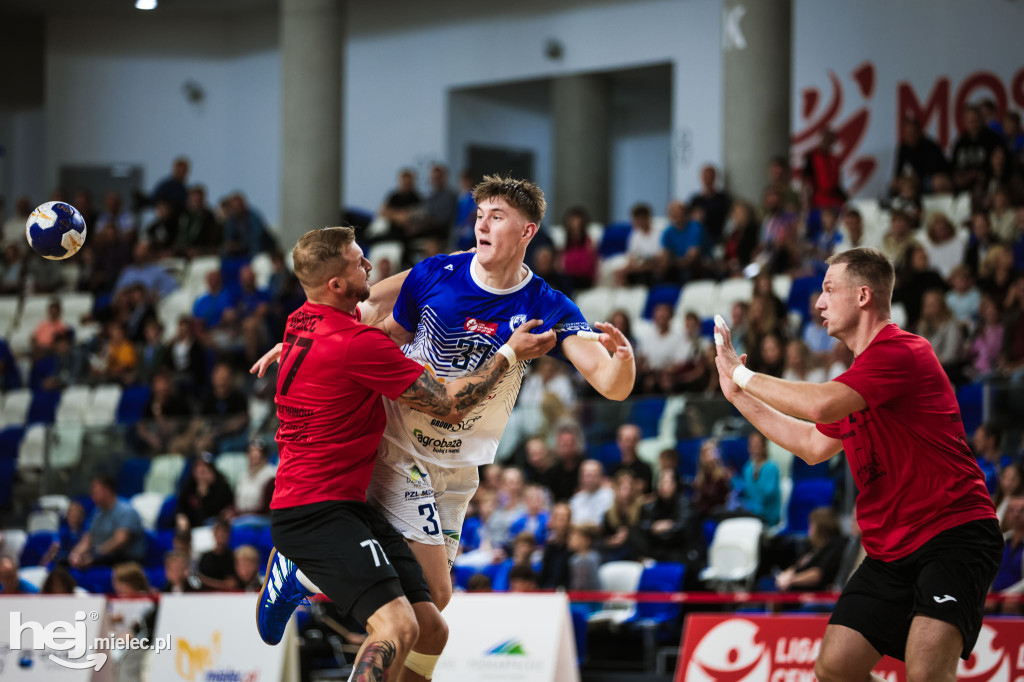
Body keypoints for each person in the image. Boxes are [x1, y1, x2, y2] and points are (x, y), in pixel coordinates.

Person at [253, 176, 635, 629]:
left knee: (434, 606)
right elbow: (369, 313)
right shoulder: (439, 272)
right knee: (428, 597)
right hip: (401, 446)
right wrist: (313, 342)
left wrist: (625, 360)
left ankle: (315, 577)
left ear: (527, 232)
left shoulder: (546, 304)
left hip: (460, 463)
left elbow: (609, 383)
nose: (483, 226)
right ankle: (307, 571)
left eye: (497, 217)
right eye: (479, 216)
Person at [252, 225, 556, 682]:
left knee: (432, 621)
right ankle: (299, 570)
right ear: (335, 284)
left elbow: (395, 294)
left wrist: (485, 256)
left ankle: (302, 574)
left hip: (342, 503)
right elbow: (450, 405)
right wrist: (509, 355)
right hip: (315, 513)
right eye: (358, 262)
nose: (370, 265)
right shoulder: (357, 344)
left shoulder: (303, 320)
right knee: (396, 626)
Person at [714, 247, 1002, 681]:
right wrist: (739, 397)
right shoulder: (859, 377)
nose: (819, 303)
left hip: (952, 534)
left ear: (863, 296)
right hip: (891, 548)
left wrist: (743, 375)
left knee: (927, 675)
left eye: (829, 289)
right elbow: (811, 444)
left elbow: (823, 405)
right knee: (834, 669)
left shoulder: (902, 351)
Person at [69, 476, 146, 568]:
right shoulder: (97, 512)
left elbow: (120, 540)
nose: (92, 496)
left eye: (96, 492)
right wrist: (76, 554)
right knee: (64, 562)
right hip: (102, 556)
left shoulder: (126, 511)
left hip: (124, 559)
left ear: (107, 491)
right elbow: (88, 538)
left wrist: (94, 555)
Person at [775, 507, 847, 592]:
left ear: (821, 528)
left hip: (818, 592)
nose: (809, 530)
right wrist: (784, 576)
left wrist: (790, 580)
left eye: (811, 525)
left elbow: (817, 574)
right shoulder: (811, 546)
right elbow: (795, 566)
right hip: (796, 588)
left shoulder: (836, 546)